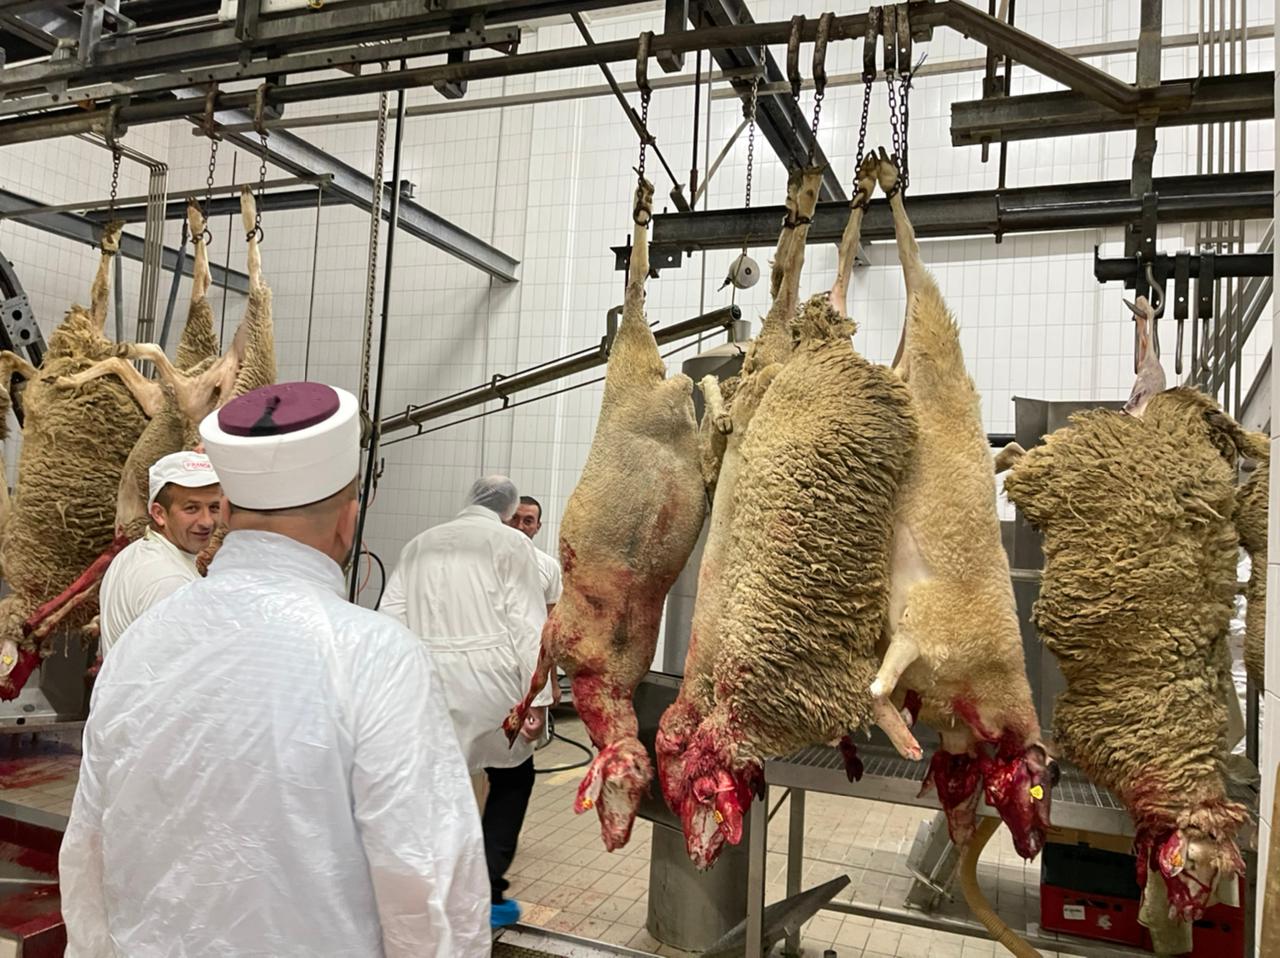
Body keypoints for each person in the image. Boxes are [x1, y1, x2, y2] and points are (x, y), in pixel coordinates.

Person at [59, 382, 489, 958]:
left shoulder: (142, 644)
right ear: (348, 521)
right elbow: (429, 894)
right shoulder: (377, 657)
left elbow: (87, 849)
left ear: (226, 511)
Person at [381, 476, 551, 929]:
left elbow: (390, 618)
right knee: (512, 776)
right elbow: (528, 623)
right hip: (493, 681)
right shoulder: (512, 545)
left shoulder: (419, 544)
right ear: (508, 510)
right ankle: (487, 892)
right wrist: (537, 699)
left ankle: (429, 887)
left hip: (428, 680)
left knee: (438, 781)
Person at [97, 450, 221, 656]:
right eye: (192, 508)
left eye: (214, 507)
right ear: (159, 514)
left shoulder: (133, 553)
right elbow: (178, 667)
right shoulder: (171, 583)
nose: (207, 521)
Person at [506, 494, 563, 612]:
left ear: (538, 527)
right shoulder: (486, 558)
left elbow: (551, 613)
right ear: (505, 520)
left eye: (528, 521)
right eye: (514, 518)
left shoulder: (549, 566)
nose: (519, 526)